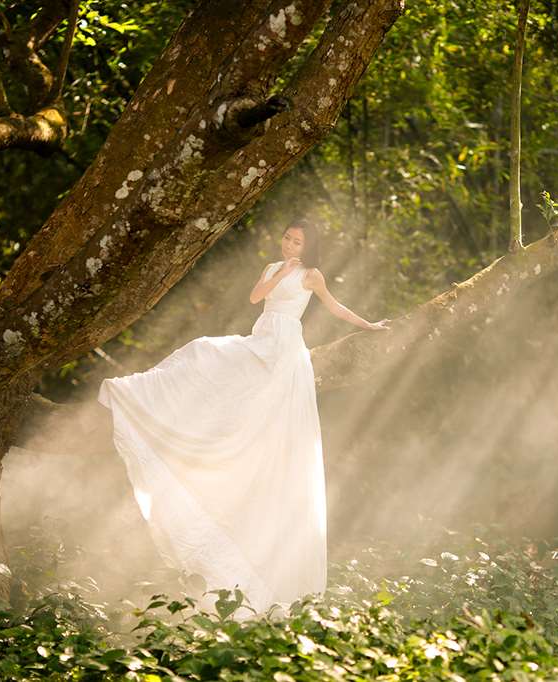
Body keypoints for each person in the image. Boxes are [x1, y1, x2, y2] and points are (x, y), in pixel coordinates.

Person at [96, 218, 390, 619]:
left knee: (264, 415)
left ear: (309, 247)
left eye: (298, 242)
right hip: (260, 337)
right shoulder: (273, 268)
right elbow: (255, 298)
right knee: (203, 351)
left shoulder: (312, 274)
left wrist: (369, 324)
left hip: (285, 349)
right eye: (287, 237)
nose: (290, 245)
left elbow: (333, 305)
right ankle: (142, 397)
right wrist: (279, 273)